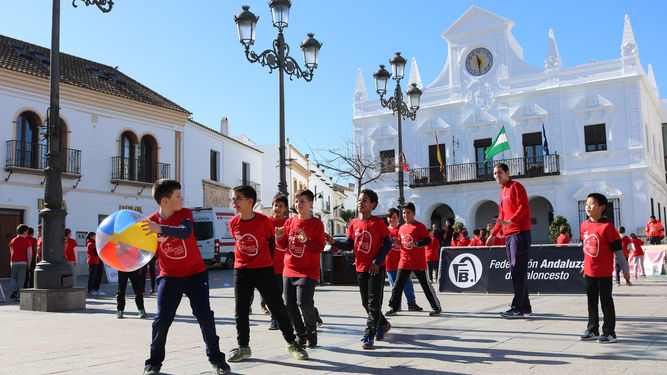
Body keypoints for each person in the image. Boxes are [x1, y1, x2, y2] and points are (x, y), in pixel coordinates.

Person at [140, 179, 230, 375]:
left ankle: (217, 359)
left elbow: (185, 233)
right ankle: (153, 363)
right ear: (165, 201)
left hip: (196, 275)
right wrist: (123, 248)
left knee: (205, 316)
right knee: (162, 320)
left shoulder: (185, 214)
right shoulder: (150, 223)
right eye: (178, 196)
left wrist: (160, 229)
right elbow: (145, 250)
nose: (182, 199)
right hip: (169, 277)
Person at [226, 186, 309, 362]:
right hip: (241, 270)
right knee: (240, 311)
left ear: (250, 202)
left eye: (237, 198)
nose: (234, 202)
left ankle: (292, 342)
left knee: (278, 308)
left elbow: (271, 243)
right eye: (233, 199)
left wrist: (266, 263)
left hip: (263, 270)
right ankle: (243, 347)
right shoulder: (233, 222)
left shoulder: (264, 222)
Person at [325, 189, 392, 349]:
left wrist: (377, 261)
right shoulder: (353, 223)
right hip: (361, 268)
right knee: (365, 304)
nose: (360, 203)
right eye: (359, 200)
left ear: (372, 205)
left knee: (374, 304)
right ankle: (383, 324)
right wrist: (334, 242)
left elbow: (387, 244)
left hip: (376, 268)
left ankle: (369, 335)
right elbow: (349, 245)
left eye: (364, 201)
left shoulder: (378, 223)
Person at [276, 189, 325, 348]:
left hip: (308, 270)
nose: (298, 204)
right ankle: (301, 334)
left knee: (303, 302)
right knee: (289, 305)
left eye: (302, 201)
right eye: (296, 201)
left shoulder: (317, 224)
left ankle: (311, 332)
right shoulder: (289, 222)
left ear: (311, 203)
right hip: (289, 268)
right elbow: (284, 246)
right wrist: (278, 237)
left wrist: (306, 240)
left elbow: (319, 247)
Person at [579, 193, 630, 343]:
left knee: (606, 302)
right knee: (591, 301)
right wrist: (584, 264)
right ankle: (592, 329)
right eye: (587, 203)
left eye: (592, 203)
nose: (588, 206)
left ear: (602, 207)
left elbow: (618, 251)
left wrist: (625, 270)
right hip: (589, 271)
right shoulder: (584, 225)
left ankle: (609, 333)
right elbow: (587, 247)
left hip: (604, 272)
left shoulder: (608, 227)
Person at [486, 163, 532, 319]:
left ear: (507, 172)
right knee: (517, 271)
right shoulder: (502, 192)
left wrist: (511, 221)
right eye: (494, 173)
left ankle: (517, 307)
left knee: (517, 270)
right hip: (509, 235)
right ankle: (525, 306)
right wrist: (493, 234)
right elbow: (501, 216)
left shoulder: (516, 187)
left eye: (499, 172)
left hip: (519, 233)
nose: (497, 175)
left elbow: (523, 207)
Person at [386, 202, 442, 317]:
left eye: (408, 213)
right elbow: (402, 244)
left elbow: (427, 240)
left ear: (414, 213)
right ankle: (393, 307)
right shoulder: (401, 228)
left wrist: (416, 244)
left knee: (425, 285)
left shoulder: (419, 226)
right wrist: (397, 244)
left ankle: (436, 307)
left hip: (418, 262)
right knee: (397, 285)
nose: (406, 215)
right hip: (404, 261)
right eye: (404, 213)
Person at [384, 208, 421, 312]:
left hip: (403, 263)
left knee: (407, 284)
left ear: (398, 218)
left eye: (394, 217)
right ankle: (397, 305)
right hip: (390, 263)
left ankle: (411, 303)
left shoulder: (402, 229)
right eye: (389, 217)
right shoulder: (385, 231)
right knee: (394, 286)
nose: (392, 219)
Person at [267, 193, 289, 331]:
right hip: (270, 267)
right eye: (276, 205)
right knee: (273, 296)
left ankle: (313, 313)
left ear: (285, 208)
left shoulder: (289, 223)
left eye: (281, 206)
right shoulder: (266, 222)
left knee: (291, 298)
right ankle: (274, 320)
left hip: (286, 267)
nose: (277, 208)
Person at [8, 224, 32, 301]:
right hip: (23, 262)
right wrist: (29, 263)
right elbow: (29, 253)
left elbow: (11, 251)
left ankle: (14, 288)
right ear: (25, 232)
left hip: (13, 262)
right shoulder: (27, 241)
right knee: (21, 280)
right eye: (27, 231)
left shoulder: (13, 240)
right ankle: (18, 296)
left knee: (13, 277)